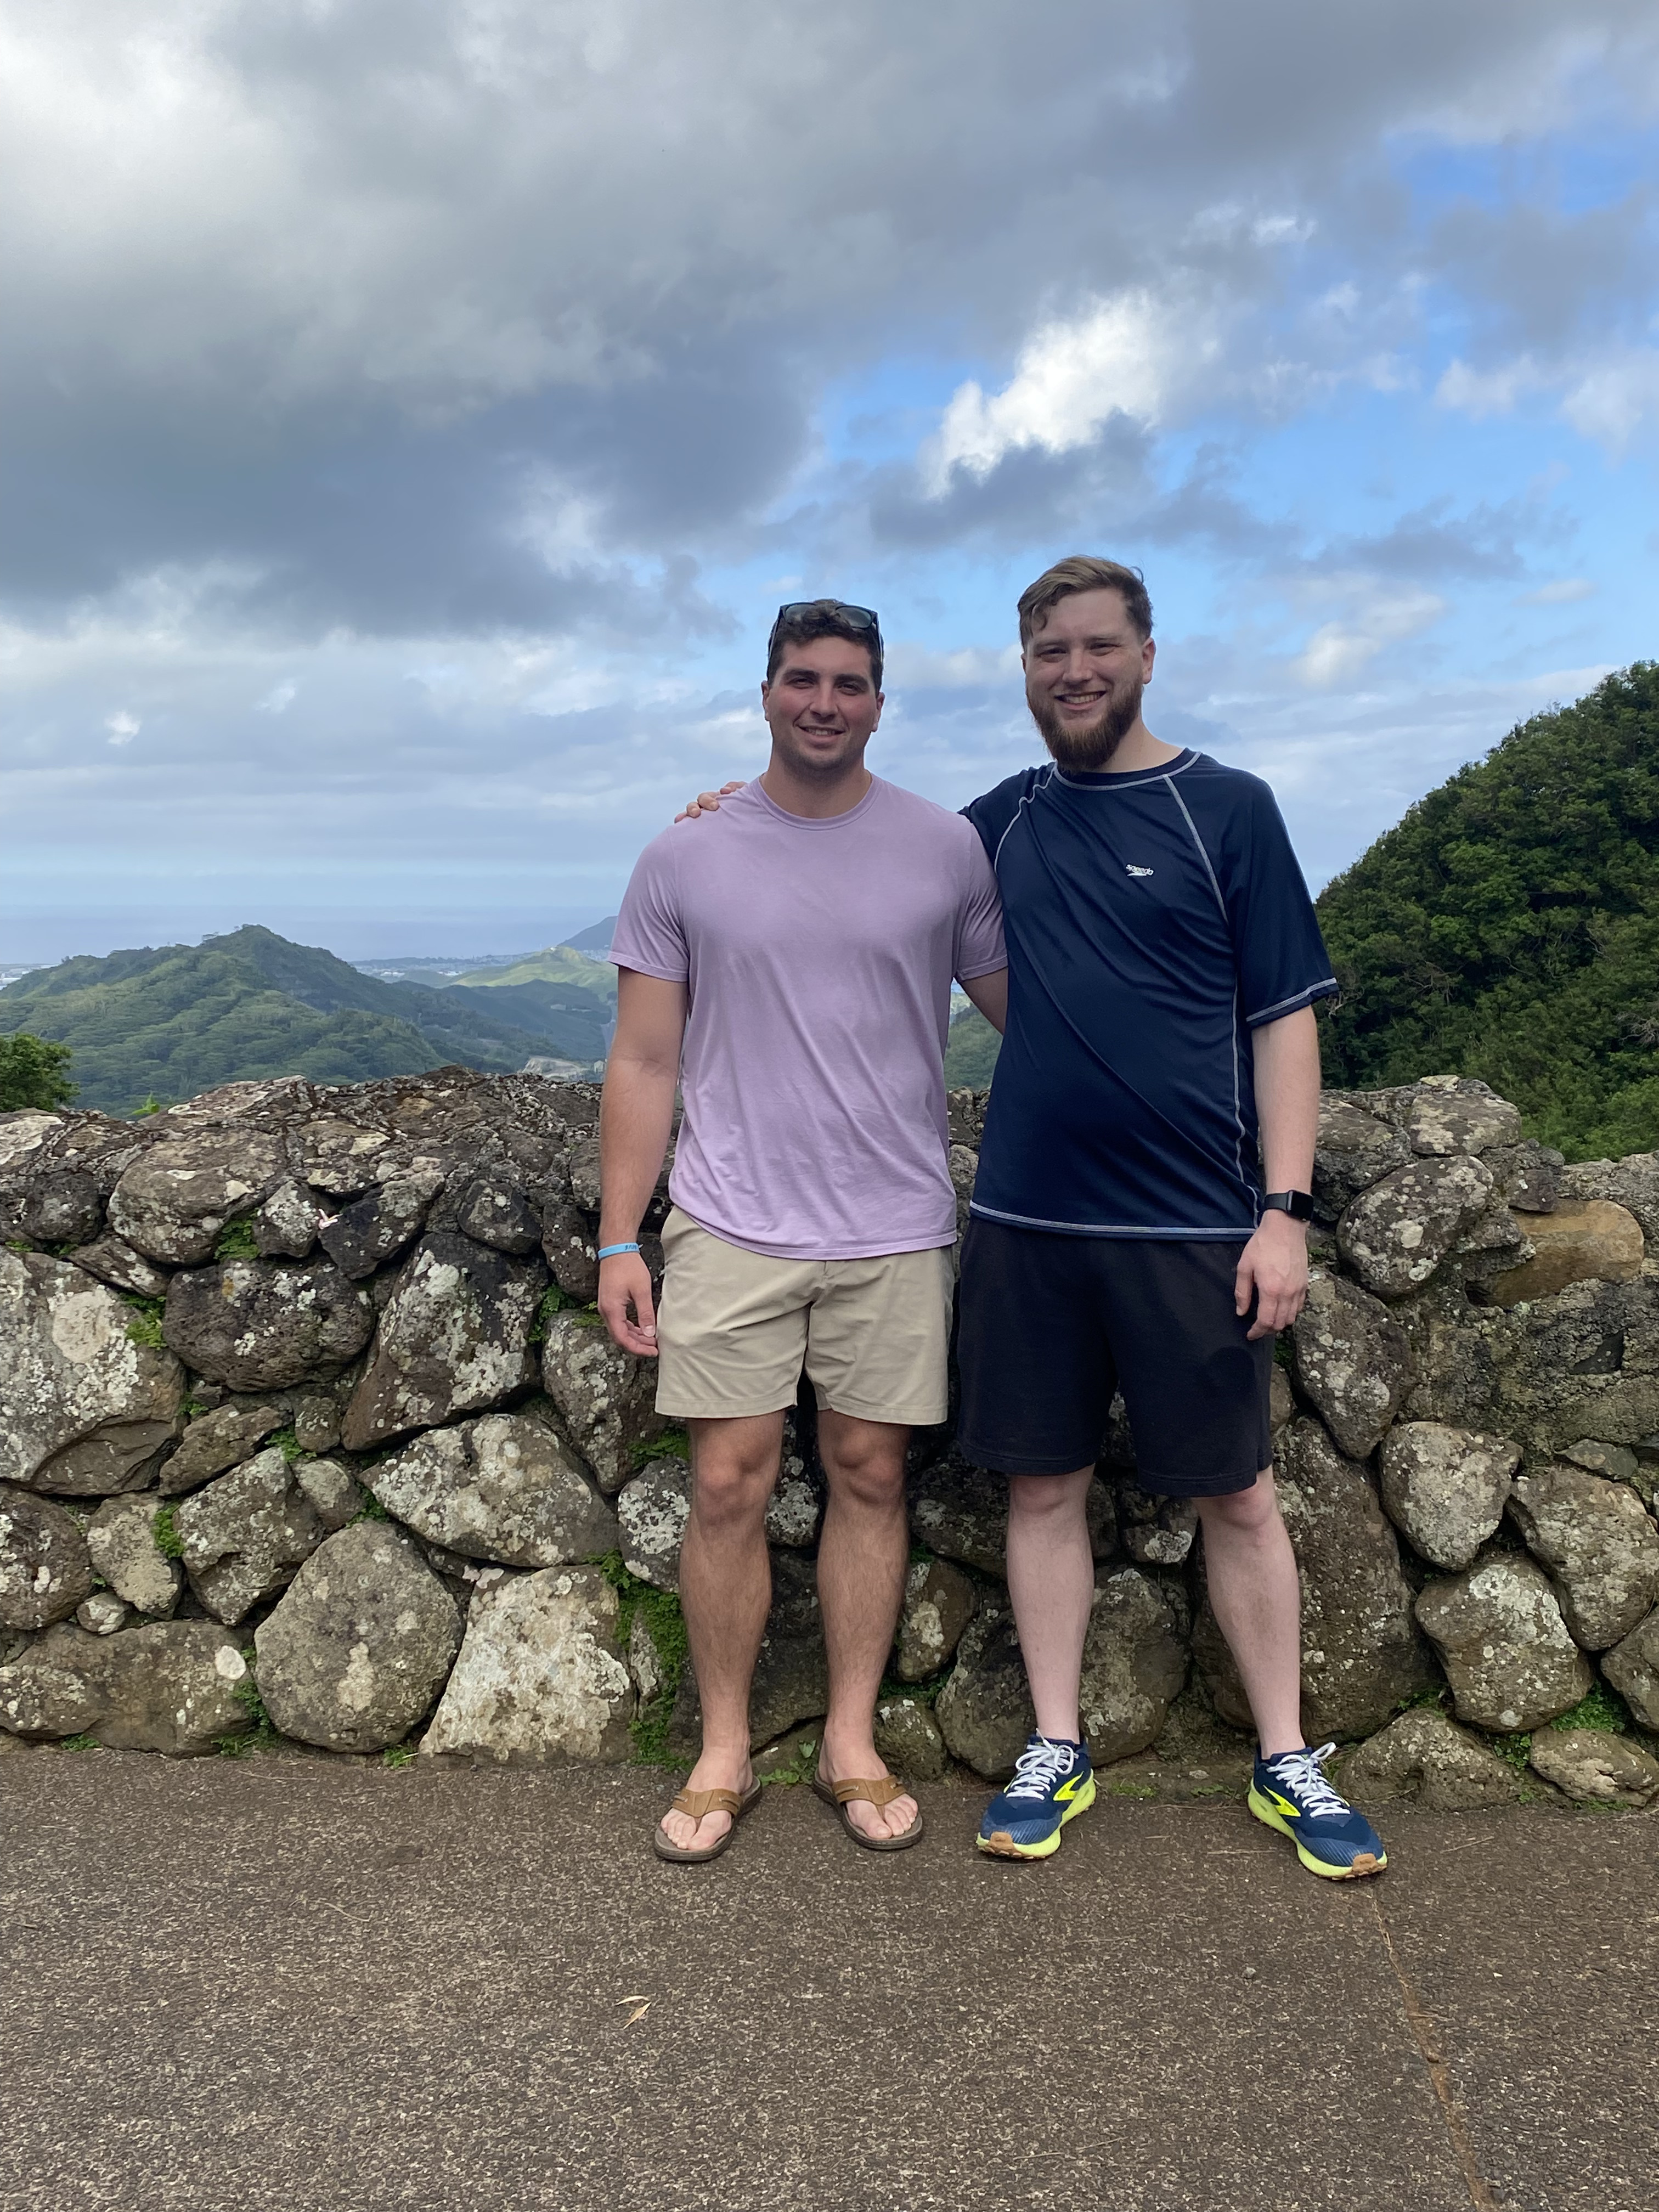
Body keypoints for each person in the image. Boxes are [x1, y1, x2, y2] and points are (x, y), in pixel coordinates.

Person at [678, 556, 1388, 1883]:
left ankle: (1288, 1757)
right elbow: (843, 842)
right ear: (1024, 670)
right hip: (1027, 1219)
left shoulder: (1229, 808)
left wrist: (1284, 1209)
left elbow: (1284, 1021)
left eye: (1099, 647)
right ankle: (1055, 1747)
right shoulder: (993, 824)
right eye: (1052, 652)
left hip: (1195, 1221)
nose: (1077, 672)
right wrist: (727, 814)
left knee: (1238, 1494)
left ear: (1146, 656)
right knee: (1043, 1485)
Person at [598, 598, 1008, 1864]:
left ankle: (848, 1739)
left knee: (871, 1473)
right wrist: (619, 1238)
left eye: (849, 682)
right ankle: (723, 1749)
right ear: (766, 692)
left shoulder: (946, 847)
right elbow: (645, 1057)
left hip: (894, 1220)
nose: (824, 702)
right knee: (727, 1483)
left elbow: (1028, 1006)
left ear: (880, 700)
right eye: (802, 679)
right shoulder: (686, 855)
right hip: (730, 1217)